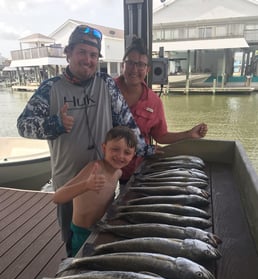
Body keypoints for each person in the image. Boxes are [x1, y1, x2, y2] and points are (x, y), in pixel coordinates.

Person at [16, 25, 155, 256]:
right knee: (74, 246)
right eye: (82, 52)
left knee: (102, 242)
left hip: (102, 182)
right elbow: (23, 125)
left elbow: (127, 122)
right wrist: (55, 124)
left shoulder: (106, 84)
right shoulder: (50, 88)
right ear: (68, 53)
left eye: (93, 55)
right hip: (68, 183)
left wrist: (148, 151)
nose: (88, 60)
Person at [115, 37, 208, 183]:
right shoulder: (105, 90)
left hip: (135, 171)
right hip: (105, 167)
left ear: (147, 69)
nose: (134, 69)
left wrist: (189, 134)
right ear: (122, 65)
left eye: (140, 65)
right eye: (130, 63)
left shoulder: (154, 101)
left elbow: (161, 136)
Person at [53, 126, 137, 256]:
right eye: (115, 149)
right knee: (78, 267)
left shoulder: (118, 173)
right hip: (82, 233)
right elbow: (57, 197)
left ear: (133, 155)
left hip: (100, 230)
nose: (120, 156)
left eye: (127, 152)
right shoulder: (94, 168)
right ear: (104, 148)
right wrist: (86, 185)